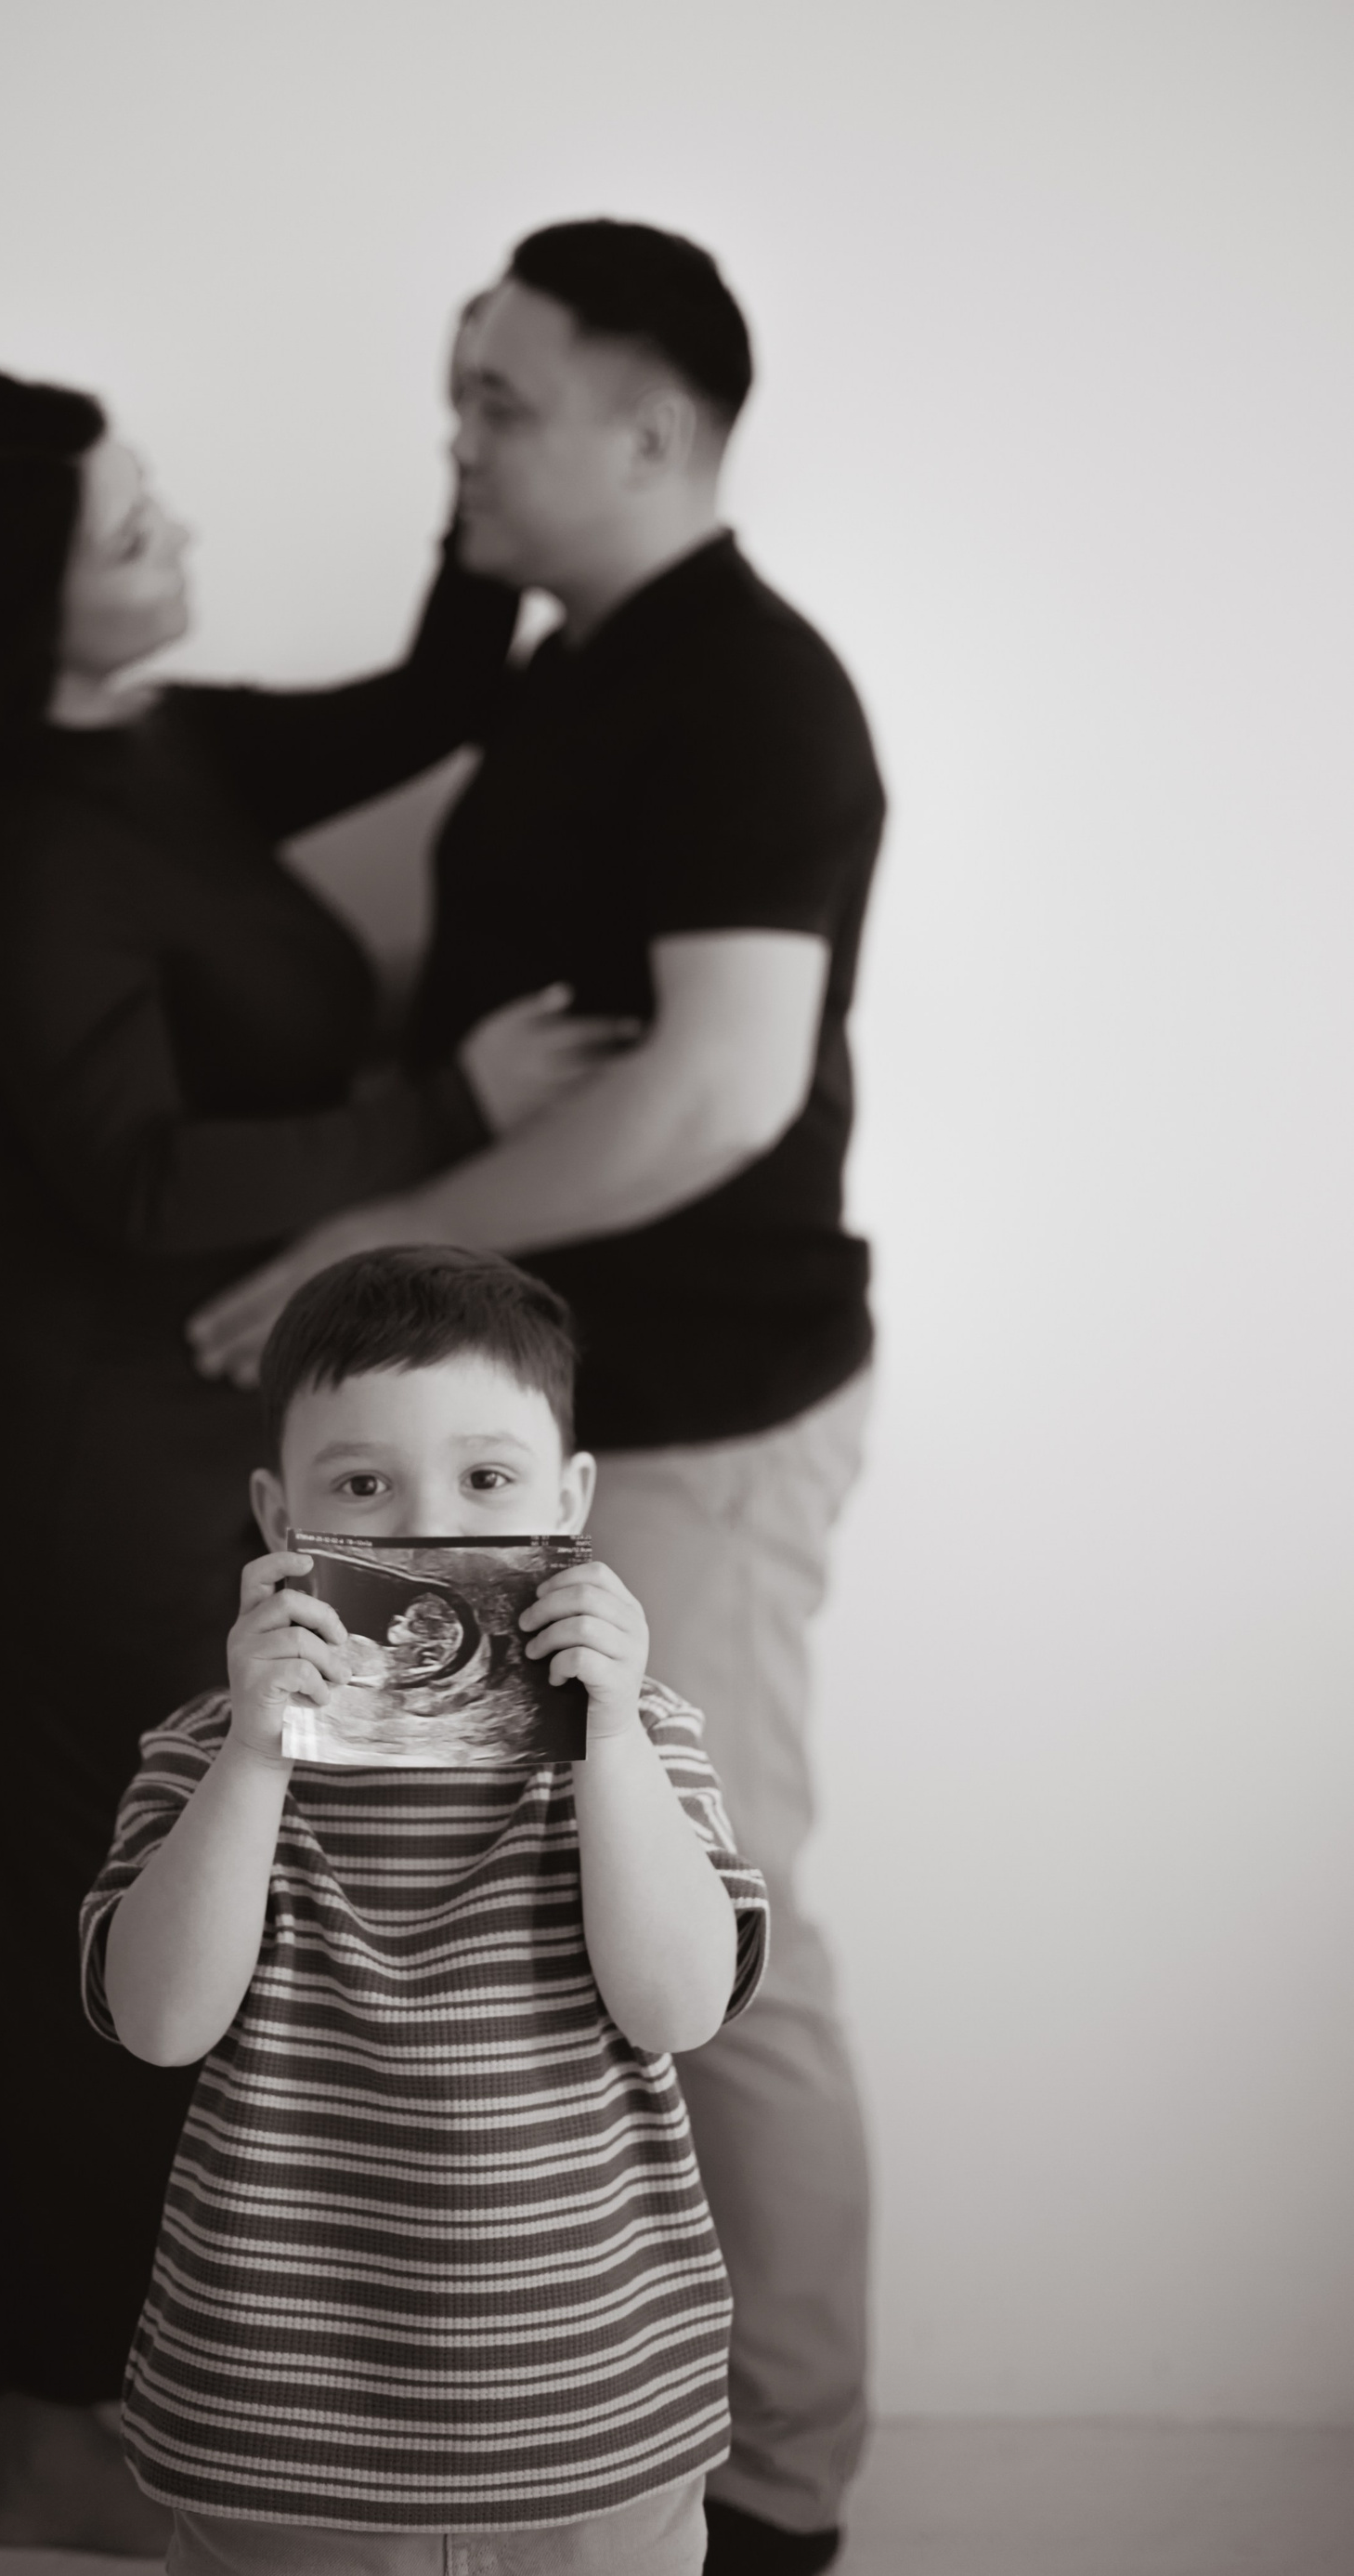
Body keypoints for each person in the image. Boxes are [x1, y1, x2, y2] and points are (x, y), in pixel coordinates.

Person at [0, 369, 619, 2552]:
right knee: (105, 1935)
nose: (181, 541)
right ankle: (58, 2428)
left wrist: (482, 469)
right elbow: (137, 1178)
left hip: (133, 1421)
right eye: (130, 535)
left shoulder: (157, 743)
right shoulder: (15, 849)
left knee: (31, 1911)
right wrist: (453, 1111)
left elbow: (429, 699)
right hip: (67, 1442)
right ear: (13, 605)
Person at [188, 222, 886, 2572]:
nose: (457, 442)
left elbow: (715, 1091)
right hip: (526, 1432)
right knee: (477, 1904)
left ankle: (771, 2494)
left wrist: (359, 1232)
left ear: (655, 430)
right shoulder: (582, 671)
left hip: (683, 1416)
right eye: (455, 394)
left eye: (501, 400)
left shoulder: (753, 694)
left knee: (709, 1924)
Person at [82, 1246, 768, 2574]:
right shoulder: (205, 1751)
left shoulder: (643, 1742)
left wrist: (609, 1738)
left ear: (571, 1499)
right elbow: (159, 2024)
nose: (422, 1527)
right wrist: (254, 1756)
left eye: (487, 1479)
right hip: (281, 2430)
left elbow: (680, 2006)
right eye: (362, 1484)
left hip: (593, 2420)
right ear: (280, 1517)